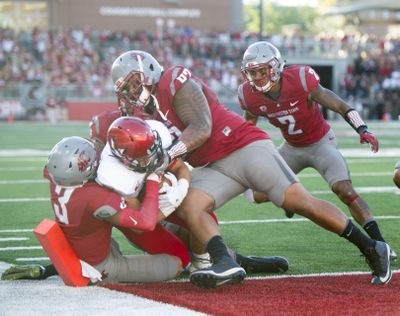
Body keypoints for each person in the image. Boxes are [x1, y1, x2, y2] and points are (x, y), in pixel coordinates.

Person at [107, 50, 392, 289]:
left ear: (148, 72)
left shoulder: (173, 80)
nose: (132, 92)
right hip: (214, 165)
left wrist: (167, 155)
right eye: (126, 89)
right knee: (189, 205)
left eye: (133, 83)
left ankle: (372, 247)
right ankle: (224, 261)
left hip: (243, 147)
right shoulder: (151, 111)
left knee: (300, 203)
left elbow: (201, 127)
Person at [2, 119, 289, 281]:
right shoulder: (98, 193)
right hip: (103, 261)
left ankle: (50, 268)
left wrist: (175, 177)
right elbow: (145, 222)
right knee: (179, 261)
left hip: (94, 241)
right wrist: (156, 184)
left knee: (198, 223)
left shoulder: (59, 182)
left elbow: (174, 168)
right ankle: (80, 271)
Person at [237, 41, 396, 261]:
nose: (257, 77)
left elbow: (340, 105)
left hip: (321, 143)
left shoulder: (301, 78)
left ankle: (382, 246)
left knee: (345, 190)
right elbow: (249, 126)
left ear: (275, 67)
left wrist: (362, 128)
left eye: (262, 71)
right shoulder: (248, 94)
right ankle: (289, 199)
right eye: (252, 72)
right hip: (291, 148)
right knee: (256, 194)